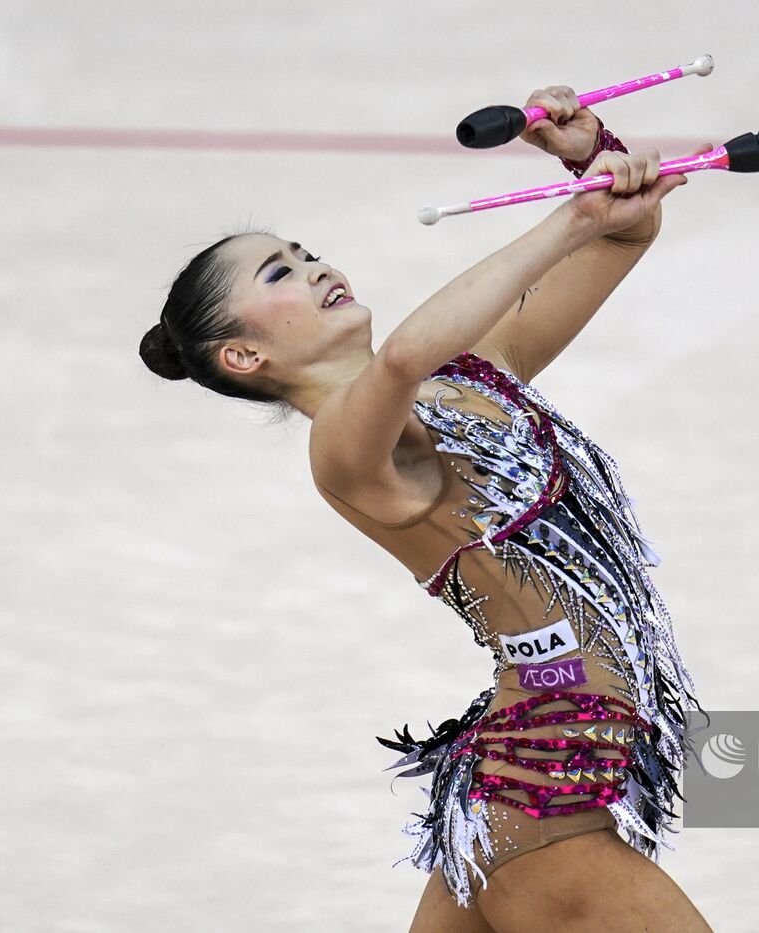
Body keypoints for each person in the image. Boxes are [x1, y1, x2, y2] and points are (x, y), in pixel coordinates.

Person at [138, 86, 715, 933]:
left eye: (305, 253)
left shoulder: (475, 367)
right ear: (244, 355)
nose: (316, 267)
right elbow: (405, 354)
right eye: (280, 273)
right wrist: (572, 218)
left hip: (524, 784)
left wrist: (593, 162)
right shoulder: (344, 448)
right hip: (544, 806)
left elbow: (627, 233)